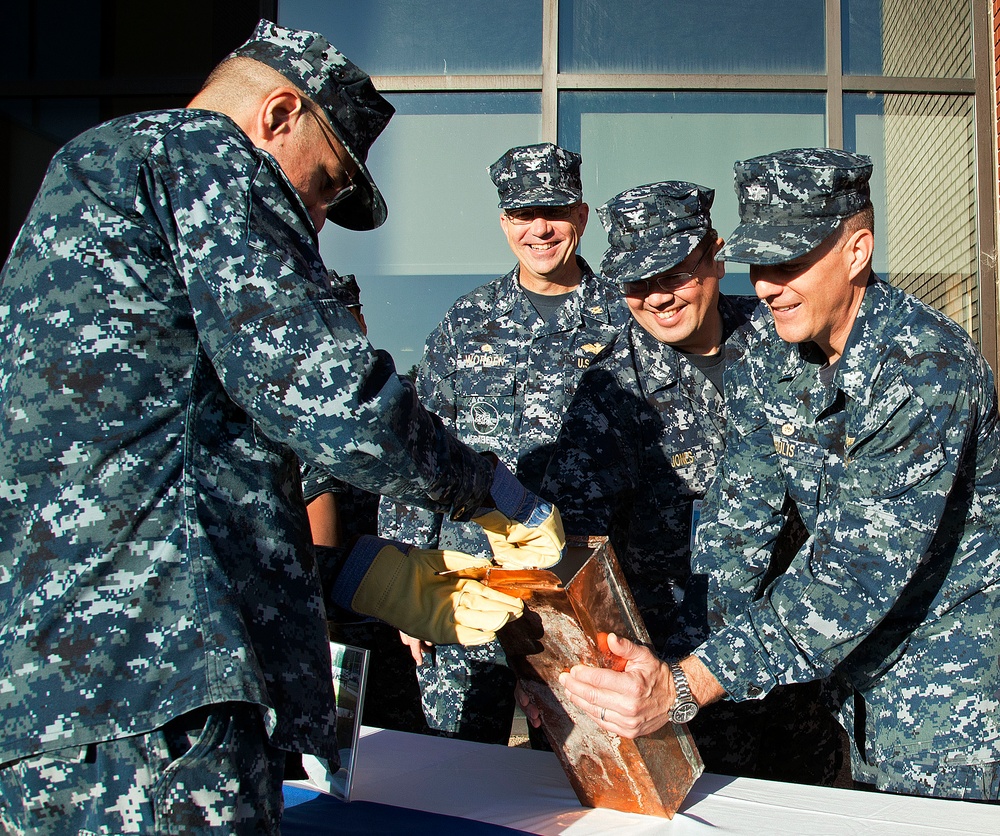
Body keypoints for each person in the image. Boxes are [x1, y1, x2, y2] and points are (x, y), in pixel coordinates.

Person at [0, 20, 564, 834]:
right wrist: (488, 489)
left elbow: (155, 474)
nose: (318, 218)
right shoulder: (204, 159)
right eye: (327, 183)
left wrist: (346, 572)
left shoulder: (91, 178)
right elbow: (326, 390)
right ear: (277, 116)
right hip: (166, 701)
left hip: (63, 697)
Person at [556, 148, 1000, 801]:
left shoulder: (919, 371)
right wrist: (657, 667)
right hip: (852, 687)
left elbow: (852, 576)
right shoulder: (767, 350)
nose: (765, 286)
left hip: (951, 696)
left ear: (857, 251)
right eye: (761, 263)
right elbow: (738, 529)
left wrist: (684, 687)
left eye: (790, 262)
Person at [540, 180, 842, 783]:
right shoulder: (608, 392)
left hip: (801, 662)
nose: (658, 297)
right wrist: (560, 671)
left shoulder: (786, 343)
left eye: (674, 272)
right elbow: (574, 556)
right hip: (674, 684)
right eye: (637, 282)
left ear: (715, 254)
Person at [380, 143, 629, 745]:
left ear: (582, 216)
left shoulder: (629, 320)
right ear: (504, 223)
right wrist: (404, 581)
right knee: (456, 769)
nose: (539, 228)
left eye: (555, 211)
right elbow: (416, 454)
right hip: (471, 593)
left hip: (579, 599)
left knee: (587, 773)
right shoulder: (464, 325)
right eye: (523, 213)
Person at [300, 273, 429, 737]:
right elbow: (324, 539)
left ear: (361, 318)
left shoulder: (389, 400)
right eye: (325, 315)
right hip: (345, 621)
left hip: (395, 612)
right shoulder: (304, 412)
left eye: (345, 313)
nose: (338, 328)